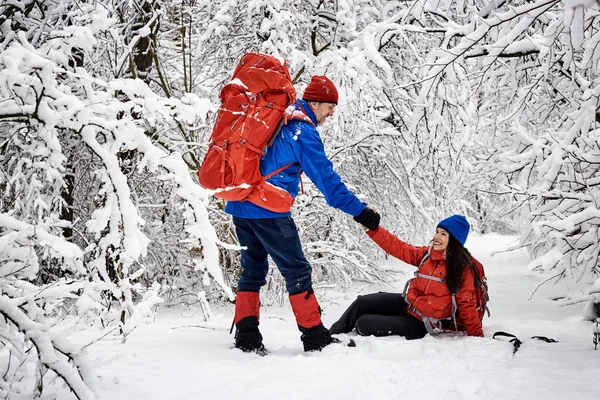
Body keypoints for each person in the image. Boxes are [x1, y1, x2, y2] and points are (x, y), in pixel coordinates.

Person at [226, 75, 381, 353]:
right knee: (297, 270)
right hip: (269, 210)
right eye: (330, 106)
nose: (332, 113)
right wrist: (360, 212)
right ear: (317, 101)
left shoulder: (275, 118)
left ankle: (246, 338)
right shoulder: (302, 131)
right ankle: (314, 336)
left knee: (252, 270)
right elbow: (328, 182)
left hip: (241, 203)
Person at [329, 214, 484, 339]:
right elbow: (398, 247)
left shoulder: (462, 268)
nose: (437, 237)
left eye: (443, 234)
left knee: (364, 323)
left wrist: (477, 336)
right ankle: (330, 336)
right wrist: (373, 229)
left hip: (422, 323)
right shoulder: (427, 255)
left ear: (455, 241)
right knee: (362, 302)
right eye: (437, 231)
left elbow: (466, 304)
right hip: (409, 304)